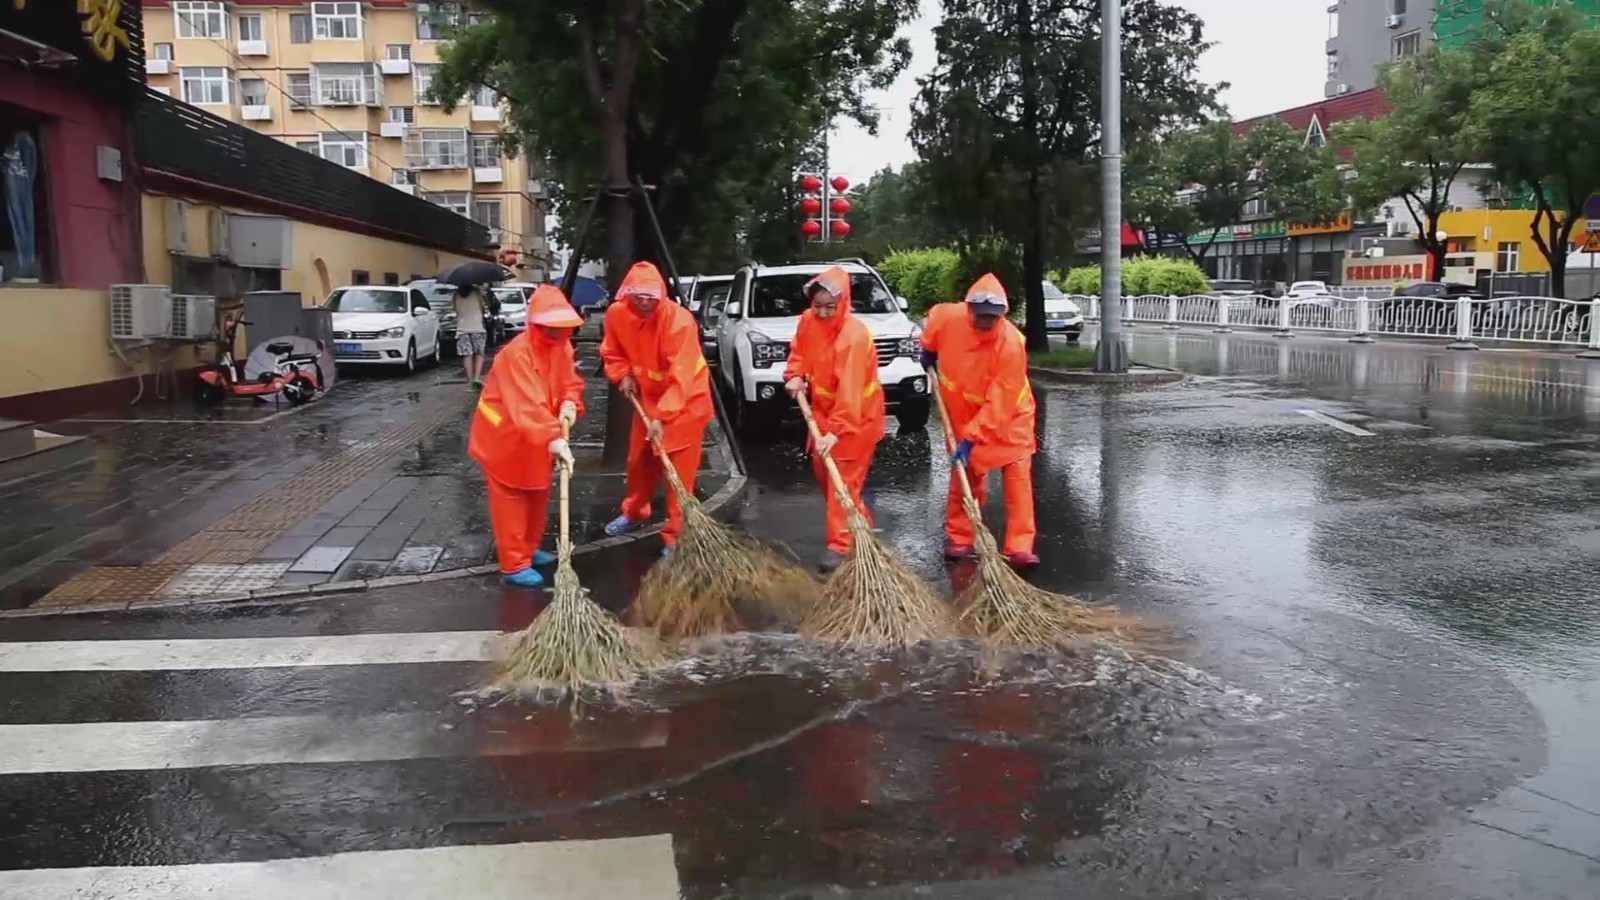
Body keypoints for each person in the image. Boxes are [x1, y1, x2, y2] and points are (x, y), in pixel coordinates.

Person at [467, 285, 585, 587]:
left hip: (538, 438)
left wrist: (571, 401)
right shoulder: (516, 355)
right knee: (512, 500)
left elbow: (569, 380)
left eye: (563, 329)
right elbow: (526, 406)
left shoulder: (562, 346)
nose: (559, 335)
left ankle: (529, 549)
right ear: (537, 324)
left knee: (537, 492)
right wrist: (554, 437)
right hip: (505, 439)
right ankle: (513, 562)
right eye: (552, 329)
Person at [920, 273, 1039, 567]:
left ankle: (1019, 546)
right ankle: (960, 537)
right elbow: (932, 327)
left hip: (1011, 415)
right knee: (965, 476)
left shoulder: (1010, 343)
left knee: (1017, 479)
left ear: (1003, 314)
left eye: (993, 317)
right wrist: (927, 349)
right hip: (962, 411)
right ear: (969, 307)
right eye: (981, 315)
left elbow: (1000, 401)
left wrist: (972, 437)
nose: (987, 322)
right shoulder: (949, 317)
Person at [599, 261, 714, 556]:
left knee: (677, 475)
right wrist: (622, 373)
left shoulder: (679, 322)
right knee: (639, 463)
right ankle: (635, 511)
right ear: (628, 294)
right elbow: (612, 351)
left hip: (686, 404)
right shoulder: (617, 315)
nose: (645, 301)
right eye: (639, 295)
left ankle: (676, 536)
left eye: (652, 296)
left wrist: (662, 417)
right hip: (647, 400)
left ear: (661, 294)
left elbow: (681, 378)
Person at [784, 265, 886, 572]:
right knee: (829, 479)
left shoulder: (853, 337)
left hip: (857, 418)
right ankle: (861, 529)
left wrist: (836, 431)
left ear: (844, 304)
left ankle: (840, 546)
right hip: (823, 413)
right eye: (818, 306)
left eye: (831, 307)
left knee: (843, 479)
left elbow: (851, 392)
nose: (824, 313)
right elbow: (799, 352)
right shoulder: (808, 321)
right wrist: (795, 374)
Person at [452, 284, 490, 388]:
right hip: (477, 327)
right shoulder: (477, 293)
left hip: (462, 328)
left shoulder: (456, 296)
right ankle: (477, 378)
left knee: (467, 355)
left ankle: (469, 381)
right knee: (479, 353)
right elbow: (483, 307)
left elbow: (456, 310)